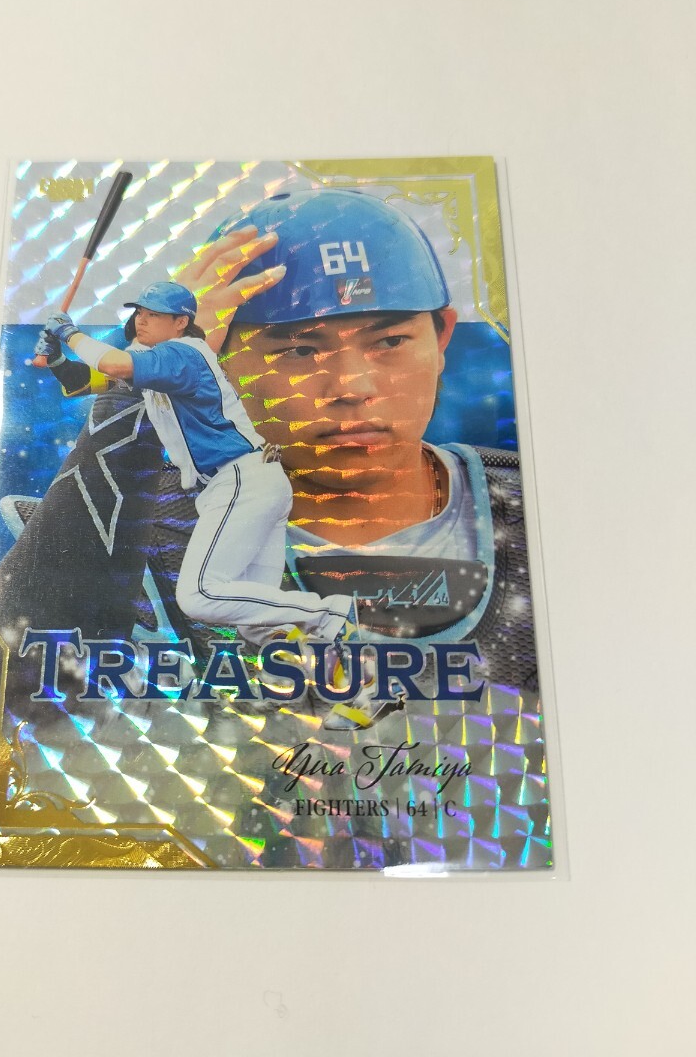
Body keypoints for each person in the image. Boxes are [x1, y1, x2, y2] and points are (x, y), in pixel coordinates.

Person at [174, 189, 539, 717]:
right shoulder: (148, 520)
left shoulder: (540, 508)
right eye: (300, 350)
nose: (352, 386)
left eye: (389, 342)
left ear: (441, 340)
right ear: (219, 364)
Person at [42, 280, 355, 648]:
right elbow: (95, 379)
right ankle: (333, 663)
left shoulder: (182, 353)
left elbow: (114, 363)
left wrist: (68, 332)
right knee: (258, 624)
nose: (142, 320)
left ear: (180, 322)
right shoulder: (162, 364)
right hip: (254, 481)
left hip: (240, 479)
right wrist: (57, 359)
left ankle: (329, 613)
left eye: (154, 314)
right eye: (140, 312)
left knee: (199, 596)